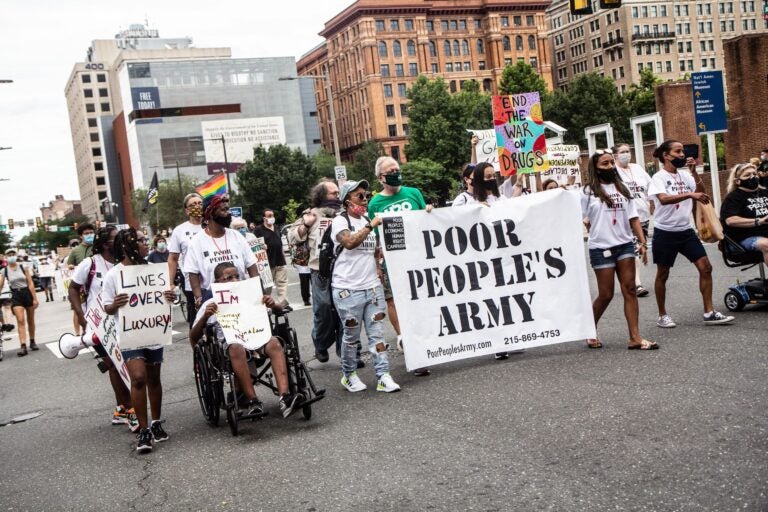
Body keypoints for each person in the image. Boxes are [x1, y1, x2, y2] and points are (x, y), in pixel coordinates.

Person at [190, 262, 302, 418]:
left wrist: (273, 305)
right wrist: (205, 317)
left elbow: (278, 312)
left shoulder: (252, 297)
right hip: (230, 346)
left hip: (257, 338)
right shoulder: (210, 304)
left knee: (275, 342)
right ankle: (252, 400)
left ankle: (285, 397)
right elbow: (193, 337)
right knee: (236, 347)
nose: (235, 280)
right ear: (217, 283)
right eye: (228, 278)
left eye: (237, 276)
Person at [102, 228, 176, 454]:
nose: (147, 244)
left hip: (153, 331)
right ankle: (143, 429)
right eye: (141, 241)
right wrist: (115, 304)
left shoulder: (155, 270)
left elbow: (169, 296)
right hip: (130, 334)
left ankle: (156, 422)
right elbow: (106, 307)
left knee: (154, 378)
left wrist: (171, 296)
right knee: (138, 377)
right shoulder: (114, 275)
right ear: (128, 246)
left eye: (145, 240)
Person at [648, 140, 734, 327]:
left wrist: (694, 173)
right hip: (665, 232)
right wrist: (689, 195)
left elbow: (701, 194)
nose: (682, 155)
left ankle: (709, 312)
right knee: (663, 273)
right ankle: (662, 315)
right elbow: (663, 200)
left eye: (682, 151)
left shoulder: (685, 176)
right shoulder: (658, 178)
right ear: (666, 155)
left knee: (706, 267)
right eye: (678, 151)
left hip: (686, 231)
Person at [581, 150, 658, 350]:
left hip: (624, 245)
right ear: (595, 168)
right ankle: (590, 329)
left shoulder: (622, 189)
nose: (609, 167)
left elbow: (633, 218)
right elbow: (579, 216)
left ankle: (635, 337)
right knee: (606, 294)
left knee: (630, 289)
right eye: (604, 164)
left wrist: (642, 243)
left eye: (610, 163)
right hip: (601, 247)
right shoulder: (588, 192)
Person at [367, 156, 433, 376]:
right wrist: (378, 262)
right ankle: (406, 340)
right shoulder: (375, 203)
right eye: (390, 170)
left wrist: (430, 211)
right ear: (380, 177)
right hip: (393, 260)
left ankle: (425, 342)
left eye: (397, 168)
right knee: (394, 300)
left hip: (418, 255)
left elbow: (426, 221)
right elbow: (376, 237)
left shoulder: (414, 193)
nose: (395, 172)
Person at [332, 180, 400, 393]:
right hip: (347, 289)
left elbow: (373, 249)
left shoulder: (366, 218)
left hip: (372, 287)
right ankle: (349, 374)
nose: (365, 199)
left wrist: (378, 261)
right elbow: (350, 242)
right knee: (351, 336)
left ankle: (383, 375)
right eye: (359, 196)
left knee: (377, 335)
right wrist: (370, 226)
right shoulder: (340, 222)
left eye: (366, 195)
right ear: (346, 201)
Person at [68, 225, 136, 430]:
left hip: (123, 323)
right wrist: (80, 315)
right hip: (99, 325)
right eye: (117, 239)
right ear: (107, 243)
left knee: (124, 364)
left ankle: (121, 408)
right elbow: (73, 288)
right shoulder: (90, 264)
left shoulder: (122, 263)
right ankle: (129, 410)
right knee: (115, 365)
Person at [288, 179, 343, 362]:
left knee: (345, 310)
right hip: (319, 271)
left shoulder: (343, 214)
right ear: (322, 196)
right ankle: (320, 344)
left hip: (343, 270)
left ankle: (347, 352)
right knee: (324, 308)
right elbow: (293, 237)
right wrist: (305, 224)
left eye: (338, 193)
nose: (337, 196)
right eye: (333, 193)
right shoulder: (311, 214)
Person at [185, 195, 260, 309]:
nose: (228, 213)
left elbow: (252, 267)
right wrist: (199, 298)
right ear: (210, 213)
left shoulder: (236, 236)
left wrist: (259, 292)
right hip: (214, 301)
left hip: (242, 296)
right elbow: (193, 273)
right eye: (223, 210)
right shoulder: (196, 242)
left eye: (228, 209)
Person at [614, 143, 654, 298]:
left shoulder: (637, 168)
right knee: (634, 250)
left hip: (643, 216)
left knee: (638, 249)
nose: (626, 154)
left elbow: (650, 187)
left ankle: (630, 279)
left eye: (628, 151)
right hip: (625, 219)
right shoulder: (614, 171)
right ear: (615, 155)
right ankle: (637, 283)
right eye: (622, 152)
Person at [168, 193, 204, 327]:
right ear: (187, 210)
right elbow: (173, 258)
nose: (197, 206)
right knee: (196, 320)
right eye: (193, 204)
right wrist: (170, 282)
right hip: (191, 281)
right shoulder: (179, 231)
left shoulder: (212, 225)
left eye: (200, 203)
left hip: (213, 278)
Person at [720, 163, 768, 264]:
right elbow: (730, 220)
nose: (752, 177)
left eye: (754, 174)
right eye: (747, 175)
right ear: (738, 181)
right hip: (743, 239)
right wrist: (759, 221)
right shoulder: (733, 198)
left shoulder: (765, 192)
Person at [0, 249, 39, 356]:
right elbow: (1, 284)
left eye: (13, 254)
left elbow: (30, 282)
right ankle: (23, 346)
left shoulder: (23, 267)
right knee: (20, 320)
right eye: (9, 255)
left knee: (30, 319)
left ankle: (32, 341)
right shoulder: (5, 270)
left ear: (16, 255)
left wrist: (34, 298)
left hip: (27, 292)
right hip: (16, 295)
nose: (11, 256)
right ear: (6, 257)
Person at [253, 209, 290, 310]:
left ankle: (283, 304)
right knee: (267, 285)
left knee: (282, 283)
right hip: (268, 262)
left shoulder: (277, 227)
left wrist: (284, 256)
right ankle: (266, 306)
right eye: (269, 216)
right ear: (264, 218)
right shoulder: (258, 230)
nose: (271, 218)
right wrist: (261, 246)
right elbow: (254, 245)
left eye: (272, 215)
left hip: (280, 260)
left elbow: (280, 243)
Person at [67, 223, 95, 335]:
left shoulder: (98, 247)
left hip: (94, 283)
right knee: (77, 309)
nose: (89, 235)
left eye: (91, 233)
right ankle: (78, 333)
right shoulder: (75, 251)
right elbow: (69, 264)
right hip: (81, 285)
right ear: (81, 236)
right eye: (86, 233)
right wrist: (72, 266)